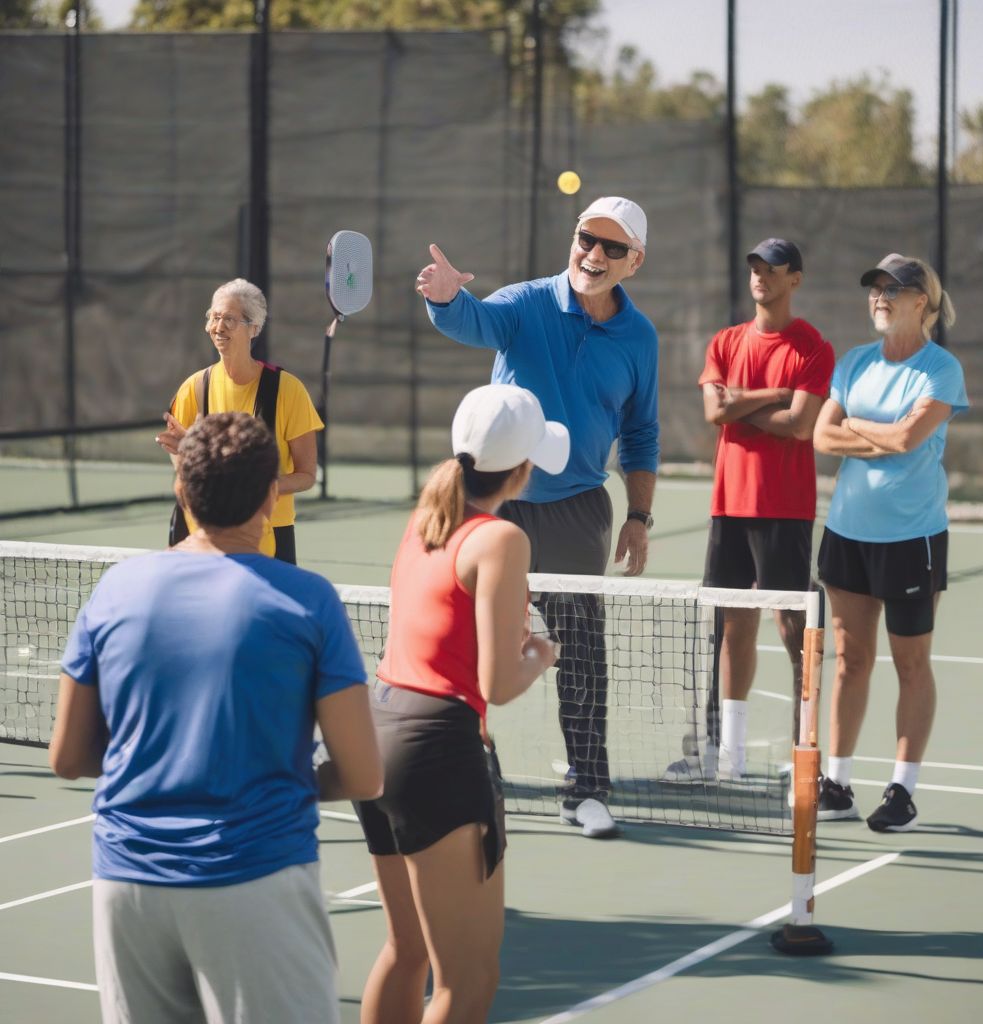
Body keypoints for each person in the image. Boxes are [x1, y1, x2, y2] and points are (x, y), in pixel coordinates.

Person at [50, 411, 382, 1024]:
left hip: (126, 889)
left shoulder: (113, 591)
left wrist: (161, 759)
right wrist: (279, 777)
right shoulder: (310, 601)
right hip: (256, 881)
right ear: (268, 497)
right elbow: (363, 776)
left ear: (182, 490)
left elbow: (67, 757)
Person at [415, 196, 659, 839]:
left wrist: (639, 514)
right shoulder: (525, 302)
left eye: (611, 248)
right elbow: (474, 322)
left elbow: (641, 430)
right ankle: (465, 766)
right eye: (586, 239)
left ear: (634, 262)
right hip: (496, 502)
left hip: (579, 511)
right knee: (462, 637)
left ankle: (586, 787)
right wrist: (444, 298)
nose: (593, 255)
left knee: (579, 649)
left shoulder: (639, 337)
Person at [353, 384, 566, 1024]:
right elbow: (498, 682)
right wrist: (543, 654)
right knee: (467, 980)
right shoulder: (501, 539)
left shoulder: (426, 518)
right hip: (436, 750)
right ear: (523, 471)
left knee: (407, 948)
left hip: (377, 729)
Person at [665, 239, 835, 784]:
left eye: (773, 270)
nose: (761, 277)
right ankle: (728, 757)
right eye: (756, 268)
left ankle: (802, 748)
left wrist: (742, 406)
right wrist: (774, 395)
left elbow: (801, 425)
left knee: (792, 628)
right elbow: (716, 410)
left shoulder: (813, 347)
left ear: (795, 280)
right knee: (731, 627)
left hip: (785, 508)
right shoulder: (725, 341)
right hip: (728, 508)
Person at [813, 254, 967, 831]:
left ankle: (902, 792)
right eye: (875, 287)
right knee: (850, 660)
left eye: (893, 288)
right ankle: (838, 784)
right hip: (847, 532)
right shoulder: (853, 363)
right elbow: (822, 434)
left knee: (910, 664)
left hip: (912, 538)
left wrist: (860, 427)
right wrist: (874, 434)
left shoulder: (940, 370)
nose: (879, 296)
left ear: (921, 301)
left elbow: (908, 438)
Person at [157, 277, 323, 564]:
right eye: (214, 317)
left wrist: (253, 490)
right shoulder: (194, 387)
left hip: (270, 534)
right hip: (203, 534)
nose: (218, 327)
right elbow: (183, 465)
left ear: (254, 328)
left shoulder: (288, 390)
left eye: (230, 319)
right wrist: (187, 454)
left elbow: (306, 475)